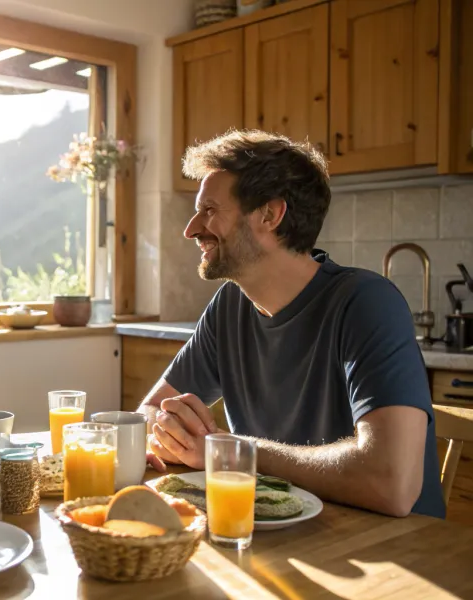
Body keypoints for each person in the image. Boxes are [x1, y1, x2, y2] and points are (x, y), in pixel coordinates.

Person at [139, 130, 445, 519]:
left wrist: (230, 451)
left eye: (210, 210)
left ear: (270, 214)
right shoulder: (230, 305)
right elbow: (151, 410)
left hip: (393, 556)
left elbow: (391, 484)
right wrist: (169, 430)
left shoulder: (367, 303)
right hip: (284, 539)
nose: (191, 228)